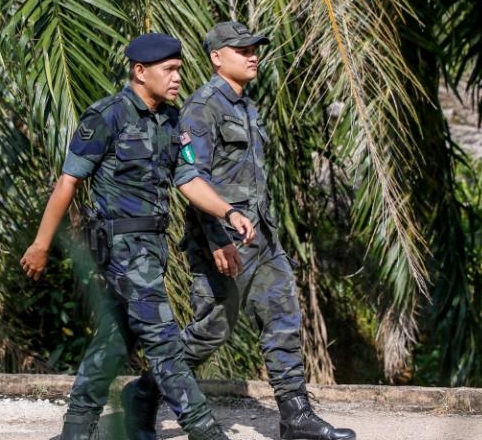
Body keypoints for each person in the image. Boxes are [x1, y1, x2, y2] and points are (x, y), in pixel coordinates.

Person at [123, 22, 356, 440]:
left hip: (261, 237)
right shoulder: (202, 108)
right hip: (223, 242)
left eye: (255, 48)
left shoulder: (246, 107)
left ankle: (296, 416)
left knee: (283, 317)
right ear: (216, 57)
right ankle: (145, 392)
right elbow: (194, 180)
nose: (253, 55)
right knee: (212, 330)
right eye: (242, 49)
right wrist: (217, 238)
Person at [20, 33, 256, 440]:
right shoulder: (107, 116)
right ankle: (205, 430)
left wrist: (228, 211)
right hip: (122, 249)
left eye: (179, 69)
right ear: (140, 71)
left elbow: (186, 178)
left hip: (153, 247)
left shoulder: (170, 119)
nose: (177, 77)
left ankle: (75, 431)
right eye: (169, 70)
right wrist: (41, 245)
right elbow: (67, 183)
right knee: (164, 343)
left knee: (115, 339)